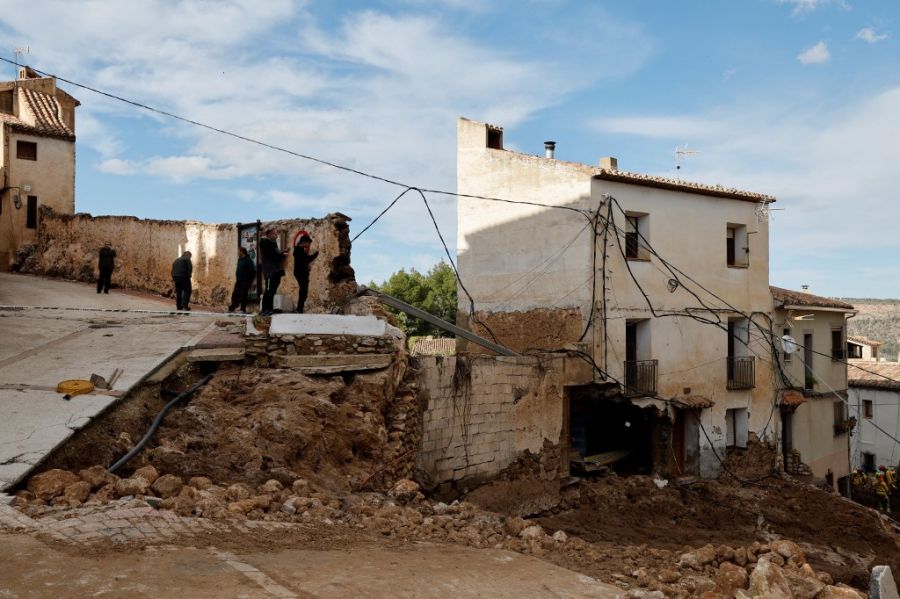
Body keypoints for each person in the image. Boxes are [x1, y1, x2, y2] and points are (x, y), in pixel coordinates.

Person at [259, 229, 288, 316]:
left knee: (272, 290)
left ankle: (269, 309)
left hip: (275, 271)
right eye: (275, 234)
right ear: (270, 234)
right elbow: (274, 256)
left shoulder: (271, 244)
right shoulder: (266, 243)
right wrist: (283, 254)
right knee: (269, 290)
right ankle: (265, 309)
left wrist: (282, 252)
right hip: (270, 271)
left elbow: (275, 254)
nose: (277, 236)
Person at [292, 232, 318, 313]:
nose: (309, 245)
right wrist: (315, 255)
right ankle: (300, 309)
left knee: (304, 290)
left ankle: (300, 308)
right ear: (304, 242)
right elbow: (306, 260)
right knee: (303, 290)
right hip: (301, 273)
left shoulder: (300, 250)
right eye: (308, 243)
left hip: (301, 273)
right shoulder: (299, 250)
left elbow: (304, 261)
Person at [228, 246, 256, 313]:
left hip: (245, 280)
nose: (237, 253)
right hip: (238, 280)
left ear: (242, 252)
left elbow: (253, 271)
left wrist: (249, 280)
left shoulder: (248, 260)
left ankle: (243, 309)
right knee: (235, 294)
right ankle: (232, 308)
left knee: (244, 295)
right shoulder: (239, 259)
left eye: (238, 251)